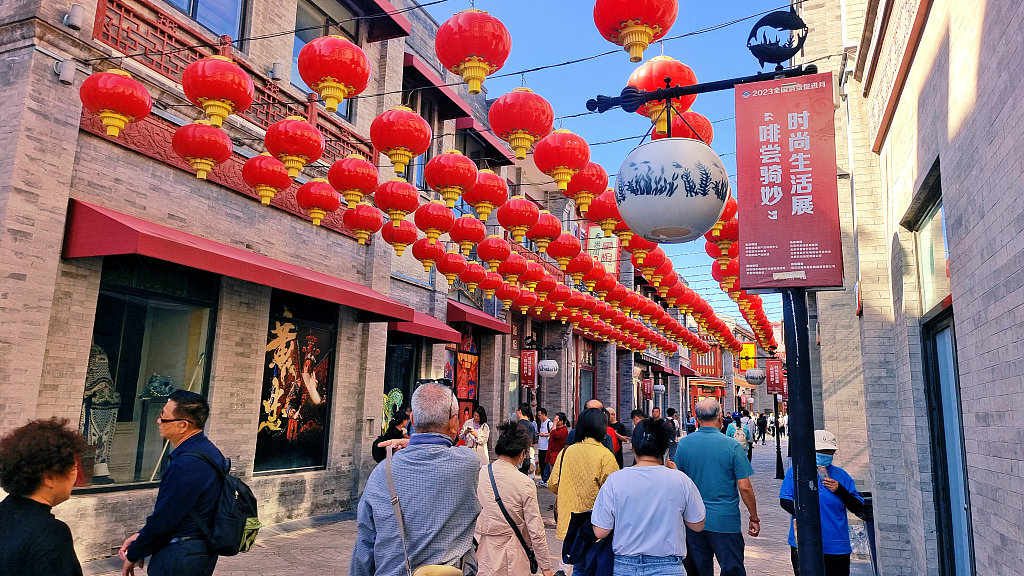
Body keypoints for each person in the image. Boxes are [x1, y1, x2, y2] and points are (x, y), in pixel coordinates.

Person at [351, 383, 482, 575]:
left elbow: (365, 545)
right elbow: (447, 446)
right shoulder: (468, 464)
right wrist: (411, 441)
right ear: (454, 422)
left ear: (411, 419)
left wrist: (410, 441)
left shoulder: (381, 473)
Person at [119, 390, 224, 576]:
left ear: (183, 425)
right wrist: (141, 536)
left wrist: (134, 553)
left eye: (163, 417)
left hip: (179, 555)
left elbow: (165, 519)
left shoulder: (186, 464)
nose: (158, 421)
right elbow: (178, 511)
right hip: (198, 551)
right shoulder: (210, 452)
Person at [592, 418, 707, 575]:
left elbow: (600, 531)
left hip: (626, 566)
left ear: (633, 447)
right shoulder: (681, 480)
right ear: (665, 448)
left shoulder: (615, 480)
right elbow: (697, 525)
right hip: (669, 566)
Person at [674, 399, 759, 576]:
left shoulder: (684, 444)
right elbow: (745, 487)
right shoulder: (732, 446)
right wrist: (754, 517)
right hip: (725, 521)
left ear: (696, 418)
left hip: (693, 520)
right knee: (732, 568)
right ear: (720, 417)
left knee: (697, 569)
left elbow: (677, 481)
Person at [0, 418, 88, 576]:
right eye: (74, 468)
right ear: (49, 478)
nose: (76, 477)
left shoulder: (4, 512)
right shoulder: (50, 533)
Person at [475, 420, 553, 576]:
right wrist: (546, 567)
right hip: (512, 556)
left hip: (482, 552)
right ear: (522, 454)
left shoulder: (481, 473)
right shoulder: (525, 483)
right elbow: (535, 530)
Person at [780, 430, 863, 576]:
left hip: (836, 545)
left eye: (829, 451)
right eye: (821, 450)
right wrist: (804, 514)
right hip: (805, 542)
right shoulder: (796, 472)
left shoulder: (841, 476)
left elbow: (858, 507)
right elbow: (784, 500)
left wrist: (839, 490)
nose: (825, 454)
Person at [548, 408, 619, 576]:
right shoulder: (605, 455)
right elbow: (616, 491)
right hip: (595, 523)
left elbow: (553, 484)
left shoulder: (566, 452)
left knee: (578, 567)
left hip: (571, 522)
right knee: (594, 567)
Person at [544, 412, 569, 485]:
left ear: (561, 421)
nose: (554, 420)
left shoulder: (563, 430)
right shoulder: (557, 429)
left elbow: (554, 434)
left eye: (556, 419)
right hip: (551, 454)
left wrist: (554, 423)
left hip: (556, 455)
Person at [516, 403, 539, 475]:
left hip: (518, 457)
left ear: (520, 411)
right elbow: (533, 442)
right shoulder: (531, 425)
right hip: (527, 456)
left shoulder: (519, 425)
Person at [536, 408, 553, 486]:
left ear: (544, 414)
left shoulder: (549, 423)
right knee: (541, 464)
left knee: (545, 464)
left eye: (540, 415)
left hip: (546, 447)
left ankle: (546, 479)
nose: (539, 417)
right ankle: (543, 479)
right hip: (541, 447)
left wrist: (544, 435)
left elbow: (552, 434)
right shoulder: (542, 423)